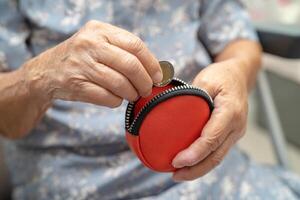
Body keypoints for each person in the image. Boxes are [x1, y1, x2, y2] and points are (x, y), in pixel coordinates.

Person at [0, 0, 299, 199]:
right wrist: (38, 77)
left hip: (213, 172)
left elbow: (239, 40)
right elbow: (8, 122)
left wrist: (237, 70)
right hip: (82, 183)